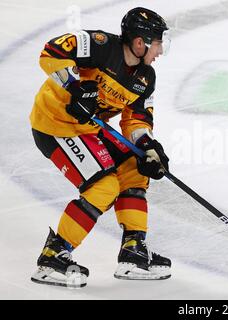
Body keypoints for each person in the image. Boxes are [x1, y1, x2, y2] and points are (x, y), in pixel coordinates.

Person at [29, 7, 172, 288]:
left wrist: (147, 145)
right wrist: (73, 86)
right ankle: (53, 256)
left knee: (134, 167)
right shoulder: (99, 45)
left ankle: (133, 250)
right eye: (158, 43)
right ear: (140, 42)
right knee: (103, 188)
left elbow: (136, 119)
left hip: (88, 130)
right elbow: (51, 52)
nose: (161, 51)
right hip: (55, 125)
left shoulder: (146, 77)